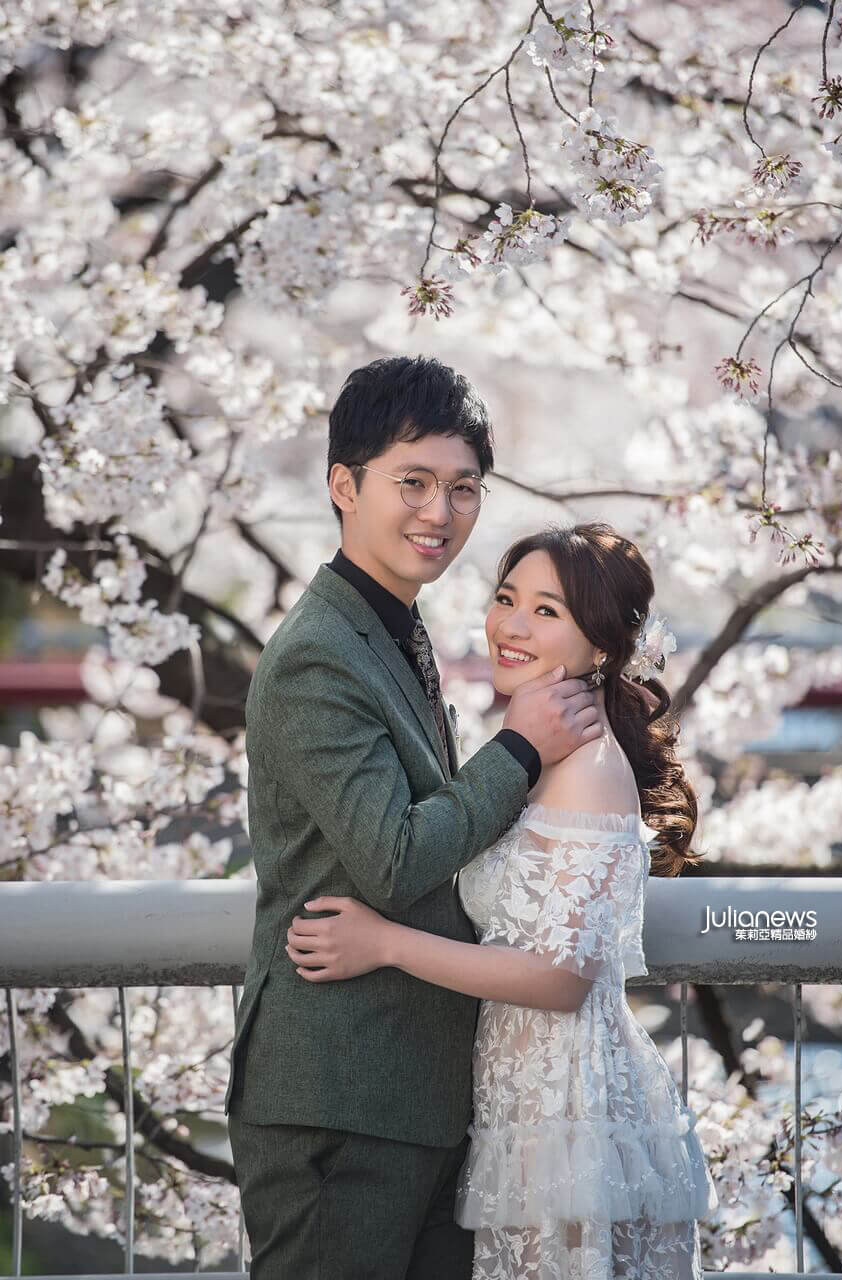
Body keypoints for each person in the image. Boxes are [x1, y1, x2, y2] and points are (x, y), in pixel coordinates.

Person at [225, 356, 605, 1280]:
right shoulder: (319, 655)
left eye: (463, 488)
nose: (440, 512)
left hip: (418, 1096)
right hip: (339, 1097)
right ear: (344, 487)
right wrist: (519, 750)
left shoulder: (392, 624)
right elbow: (393, 857)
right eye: (414, 482)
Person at [285, 522, 719, 1280]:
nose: (511, 626)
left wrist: (384, 943)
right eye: (506, 598)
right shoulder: (538, 750)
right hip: (522, 1106)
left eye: (547, 611)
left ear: (602, 647)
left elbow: (561, 977)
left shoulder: (589, 768)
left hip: (568, 1106)